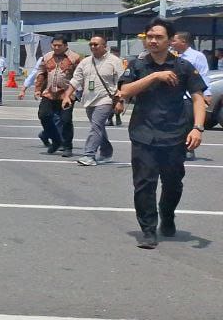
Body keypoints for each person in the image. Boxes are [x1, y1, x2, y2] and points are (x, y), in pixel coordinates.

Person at [117, 18, 206, 249]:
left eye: (159, 37)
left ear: (170, 40)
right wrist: (155, 76)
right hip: (143, 134)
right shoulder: (137, 65)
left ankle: (167, 214)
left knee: (173, 183)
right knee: (144, 184)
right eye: (150, 37)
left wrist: (197, 128)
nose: (153, 41)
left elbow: (198, 98)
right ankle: (148, 230)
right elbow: (124, 91)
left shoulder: (184, 67)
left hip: (175, 135)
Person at [64, 36, 124, 167]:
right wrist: (67, 95)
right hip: (89, 100)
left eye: (96, 44)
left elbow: (122, 82)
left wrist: (120, 101)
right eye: (91, 44)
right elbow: (76, 79)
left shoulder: (114, 61)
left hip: (106, 99)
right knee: (98, 126)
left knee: (96, 126)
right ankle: (106, 152)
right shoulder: (85, 62)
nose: (92, 47)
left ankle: (89, 155)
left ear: (105, 46)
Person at [33, 37, 82, 157]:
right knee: (43, 115)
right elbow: (41, 73)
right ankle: (56, 140)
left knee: (66, 120)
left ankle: (67, 146)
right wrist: (38, 89)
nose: (56, 47)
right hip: (49, 93)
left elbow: (80, 75)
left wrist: (79, 92)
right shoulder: (47, 57)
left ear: (65, 45)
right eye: (54, 45)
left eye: (59, 45)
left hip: (67, 95)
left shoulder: (74, 58)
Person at [170, 31, 212, 160]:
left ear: (183, 42)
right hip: (174, 95)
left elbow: (204, 74)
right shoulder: (172, 55)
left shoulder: (197, 56)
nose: (172, 43)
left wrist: (206, 93)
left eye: (174, 40)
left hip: (190, 95)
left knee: (188, 122)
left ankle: (189, 148)